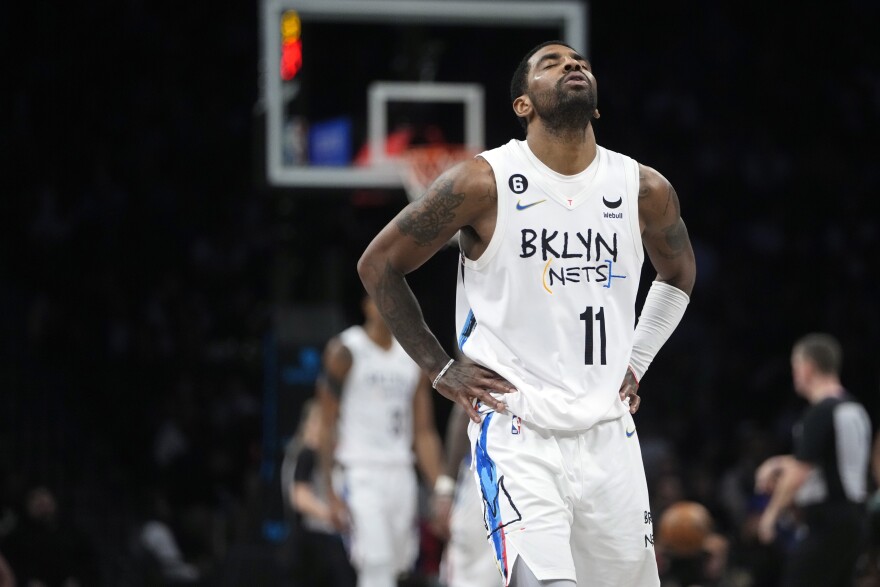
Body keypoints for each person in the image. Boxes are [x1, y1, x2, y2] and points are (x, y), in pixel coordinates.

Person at [358, 40, 696, 587]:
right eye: (552, 63)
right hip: (518, 428)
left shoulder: (643, 188)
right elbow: (378, 265)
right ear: (523, 105)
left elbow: (679, 274)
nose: (573, 66)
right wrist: (441, 370)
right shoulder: (481, 182)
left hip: (609, 431)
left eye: (580, 62)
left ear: (597, 104)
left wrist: (638, 356)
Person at [318, 294, 445, 587]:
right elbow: (325, 425)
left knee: (399, 565)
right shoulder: (346, 351)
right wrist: (329, 490)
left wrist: (440, 488)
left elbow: (424, 432)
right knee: (376, 564)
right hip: (360, 472)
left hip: (401, 472)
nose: (389, 307)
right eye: (381, 299)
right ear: (366, 305)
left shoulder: (413, 358)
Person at [754, 332, 872, 587]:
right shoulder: (855, 408)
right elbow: (833, 460)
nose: (795, 374)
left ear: (807, 367)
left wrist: (771, 515)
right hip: (855, 518)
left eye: (795, 366)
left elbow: (801, 471)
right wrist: (777, 463)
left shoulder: (819, 412)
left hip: (828, 520)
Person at [281, 399, 356, 587]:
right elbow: (299, 497)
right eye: (318, 423)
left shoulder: (305, 453)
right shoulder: (305, 453)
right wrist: (332, 516)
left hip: (314, 542)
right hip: (311, 542)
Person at [434, 402, 503, 587]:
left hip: (545, 470)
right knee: (474, 576)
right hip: (488, 471)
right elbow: (465, 409)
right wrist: (446, 487)